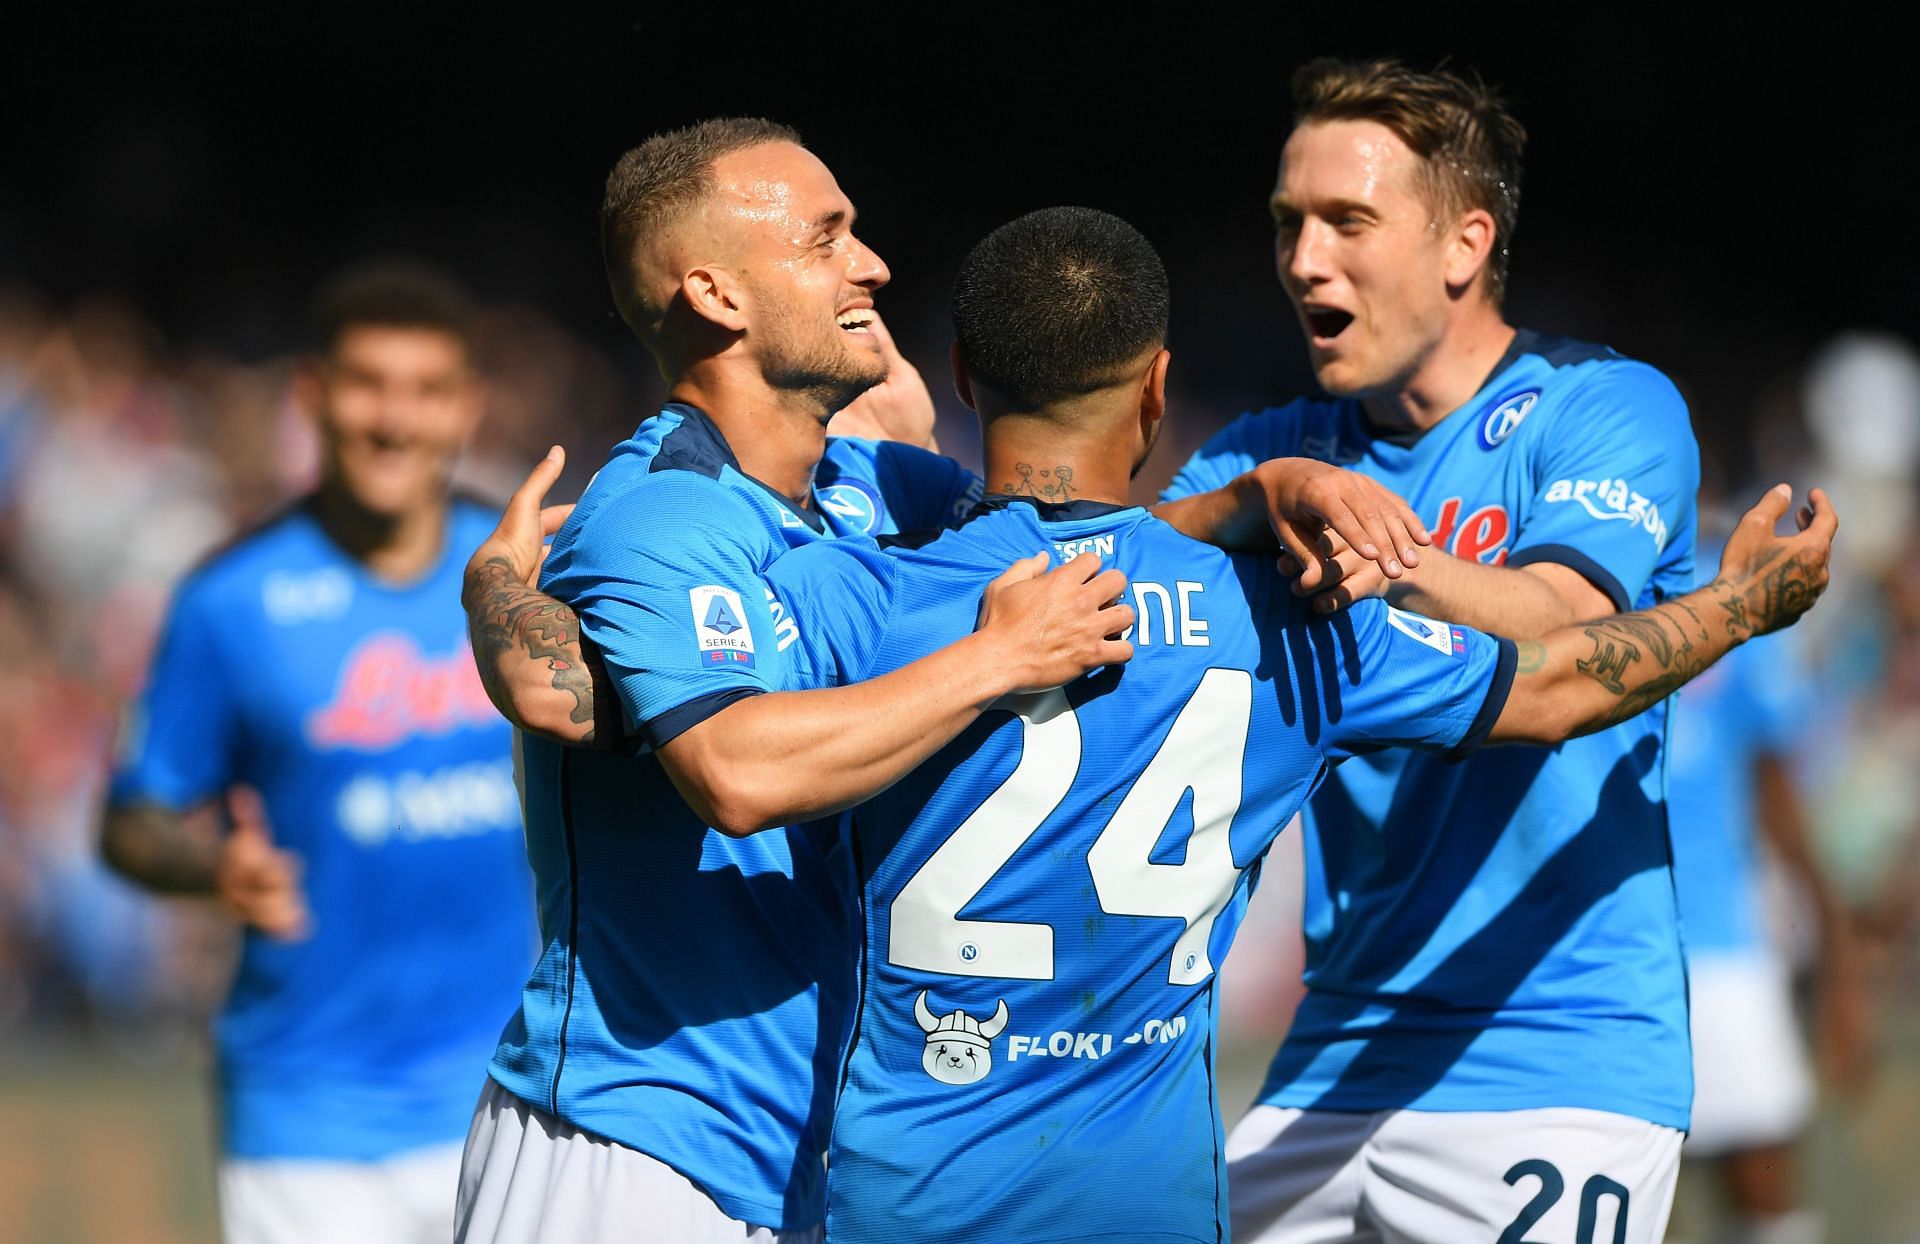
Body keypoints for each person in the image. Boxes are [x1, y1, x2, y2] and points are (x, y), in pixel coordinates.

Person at [455, 121, 1428, 1244]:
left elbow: (1071, 518)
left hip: (813, 1157)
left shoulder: (880, 488)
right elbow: (734, 769)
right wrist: (996, 659)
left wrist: (1258, 491)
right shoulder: (660, 517)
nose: (869, 264)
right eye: (826, 240)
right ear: (716, 293)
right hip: (642, 1145)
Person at [1160, 58, 1705, 1242]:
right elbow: (1126, 577)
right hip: (1336, 1042)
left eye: (1348, 221)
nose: (1306, 260)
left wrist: (1367, 544)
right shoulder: (1278, 448)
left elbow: (1562, 623)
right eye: (1288, 223)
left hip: (1553, 1054)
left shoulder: (1602, 407)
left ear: (1465, 243)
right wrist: (1253, 495)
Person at [102, 260, 538, 1244]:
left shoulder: (525, 578)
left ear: (467, 405)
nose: (394, 418)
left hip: (515, 1091)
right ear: (312, 394)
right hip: (308, 1113)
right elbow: (131, 817)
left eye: (426, 390)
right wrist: (212, 863)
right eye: (366, 383)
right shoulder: (230, 600)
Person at [1668, 521, 1869, 1244]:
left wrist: (1841, 966)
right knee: (1626, 1205)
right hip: (1590, 960)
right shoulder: (1527, 583)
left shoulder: (1726, 585)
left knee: (1763, 1195)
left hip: (1721, 950)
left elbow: (1777, 792)